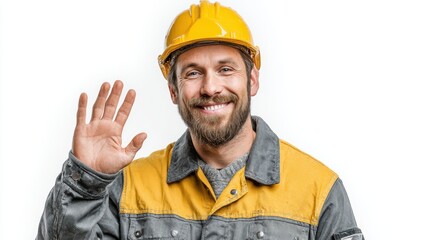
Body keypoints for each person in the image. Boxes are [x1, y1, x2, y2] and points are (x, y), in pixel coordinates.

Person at [37, 1, 364, 239]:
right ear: (174, 90)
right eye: (193, 73)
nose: (210, 88)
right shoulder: (127, 188)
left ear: (252, 81)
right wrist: (86, 182)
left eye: (225, 69)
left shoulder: (319, 191)